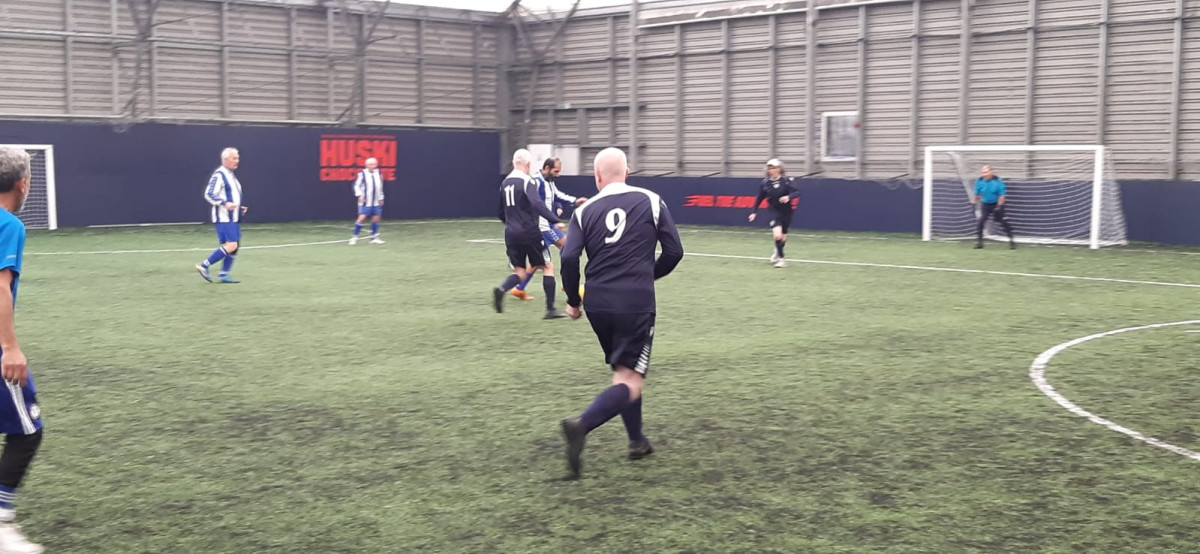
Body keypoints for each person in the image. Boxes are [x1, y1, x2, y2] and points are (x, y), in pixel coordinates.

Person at [558, 147, 684, 479]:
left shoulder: (585, 212)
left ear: (598, 178)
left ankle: (637, 441)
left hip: (598, 302)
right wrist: (648, 275)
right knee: (631, 380)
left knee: (625, 371)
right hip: (635, 301)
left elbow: (569, 259)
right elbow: (674, 251)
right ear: (627, 172)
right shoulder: (651, 200)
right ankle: (581, 426)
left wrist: (573, 301)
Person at [0, 148, 45, 554]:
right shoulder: (8, 224)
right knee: (27, 432)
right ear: (24, 184)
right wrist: (10, 348)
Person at [493, 149, 567, 319]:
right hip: (530, 232)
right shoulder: (528, 181)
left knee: (520, 272)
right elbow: (537, 203)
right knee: (548, 266)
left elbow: (500, 212)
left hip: (511, 233)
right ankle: (550, 310)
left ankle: (502, 289)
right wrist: (555, 219)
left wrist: (511, 223)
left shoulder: (504, 183)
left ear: (513, 163)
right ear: (528, 165)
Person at [512, 157, 588, 301]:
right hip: (542, 227)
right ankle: (568, 284)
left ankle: (519, 288)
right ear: (546, 168)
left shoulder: (548, 181)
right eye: (556, 171)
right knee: (569, 249)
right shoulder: (535, 181)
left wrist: (575, 201)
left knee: (538, 262)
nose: (558, 175)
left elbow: (557, 196)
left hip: (547, 226)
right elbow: (533, 202)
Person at [196, 148, 249, 284]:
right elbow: (209, 193)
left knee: (235, 245)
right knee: (231, 245)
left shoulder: (231, 175)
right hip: (224, 217)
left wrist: (240, 206)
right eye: (234, 158)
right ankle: (204, 265)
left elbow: (234, 195)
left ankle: (224, 274)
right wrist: (224, 203)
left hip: (234, 217)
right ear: (225, 159)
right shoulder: (219, 174)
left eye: (237, 158)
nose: (237, 161)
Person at [747, 158, 798, 268]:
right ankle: (782, 259)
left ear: (780, 169)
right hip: (774, 211)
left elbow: (798, 192)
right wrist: (754, 212)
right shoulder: (765, 183)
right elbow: (759, 198)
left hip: (787, 212)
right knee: (777, 235)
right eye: (770, 168)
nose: (771, 170)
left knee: (783, 237)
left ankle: (777, 252)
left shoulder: (787, 180)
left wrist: (789, 197)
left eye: (774, 168)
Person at [972, 165, 1016, 249]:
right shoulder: (979, 181)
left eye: (986, 172)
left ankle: (1012, 241)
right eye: (983, 172)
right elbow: (977, 194)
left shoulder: (998, 182)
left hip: (997, 204)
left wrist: (999, 207)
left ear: (991, 172)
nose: (984, 174)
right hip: (985, 205)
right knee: (980, 222)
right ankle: (980, 243)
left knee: (1002, 222)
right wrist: (974, 204)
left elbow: (1002, 195)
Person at [349, 157, 385, 246]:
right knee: (362, 218)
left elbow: (380, 186)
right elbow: (356, 186)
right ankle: (354, 237)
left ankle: (374, 237)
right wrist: (359, 195)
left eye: (374, 164)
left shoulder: (379, 173)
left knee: (376, 218)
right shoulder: (362, 174)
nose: (373, 166)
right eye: (371, 164)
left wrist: (381, 197)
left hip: (376, 200)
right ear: (367, 165)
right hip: (366, 201)